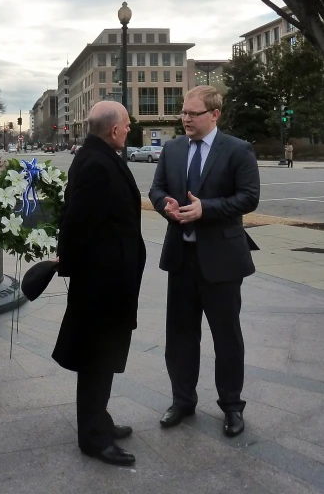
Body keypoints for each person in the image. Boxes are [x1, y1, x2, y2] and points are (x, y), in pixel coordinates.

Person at [149, 86, 260, 438]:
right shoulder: (173, 148)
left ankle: (231, 407)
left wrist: (205, 209)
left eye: (193, 114)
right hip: (182, 257)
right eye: (183, 112)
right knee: (180, 336)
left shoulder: (238, 150)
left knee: (226, 337)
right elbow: (156, 189)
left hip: (222, 262)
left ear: (214, 115)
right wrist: (165, 204)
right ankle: (182, 401)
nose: (185, 119)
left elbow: (249, 197)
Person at [53, 101, 147, 466]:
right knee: (97, 358)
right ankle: (93, 438)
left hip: (108, 277)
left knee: (104, 355)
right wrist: (75, 268)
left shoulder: (98, 155)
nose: (129, 129)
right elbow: (75, 221)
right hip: (101, 282)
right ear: (113, 130)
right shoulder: (96, 163)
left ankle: (100, 420)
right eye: (126, 125)